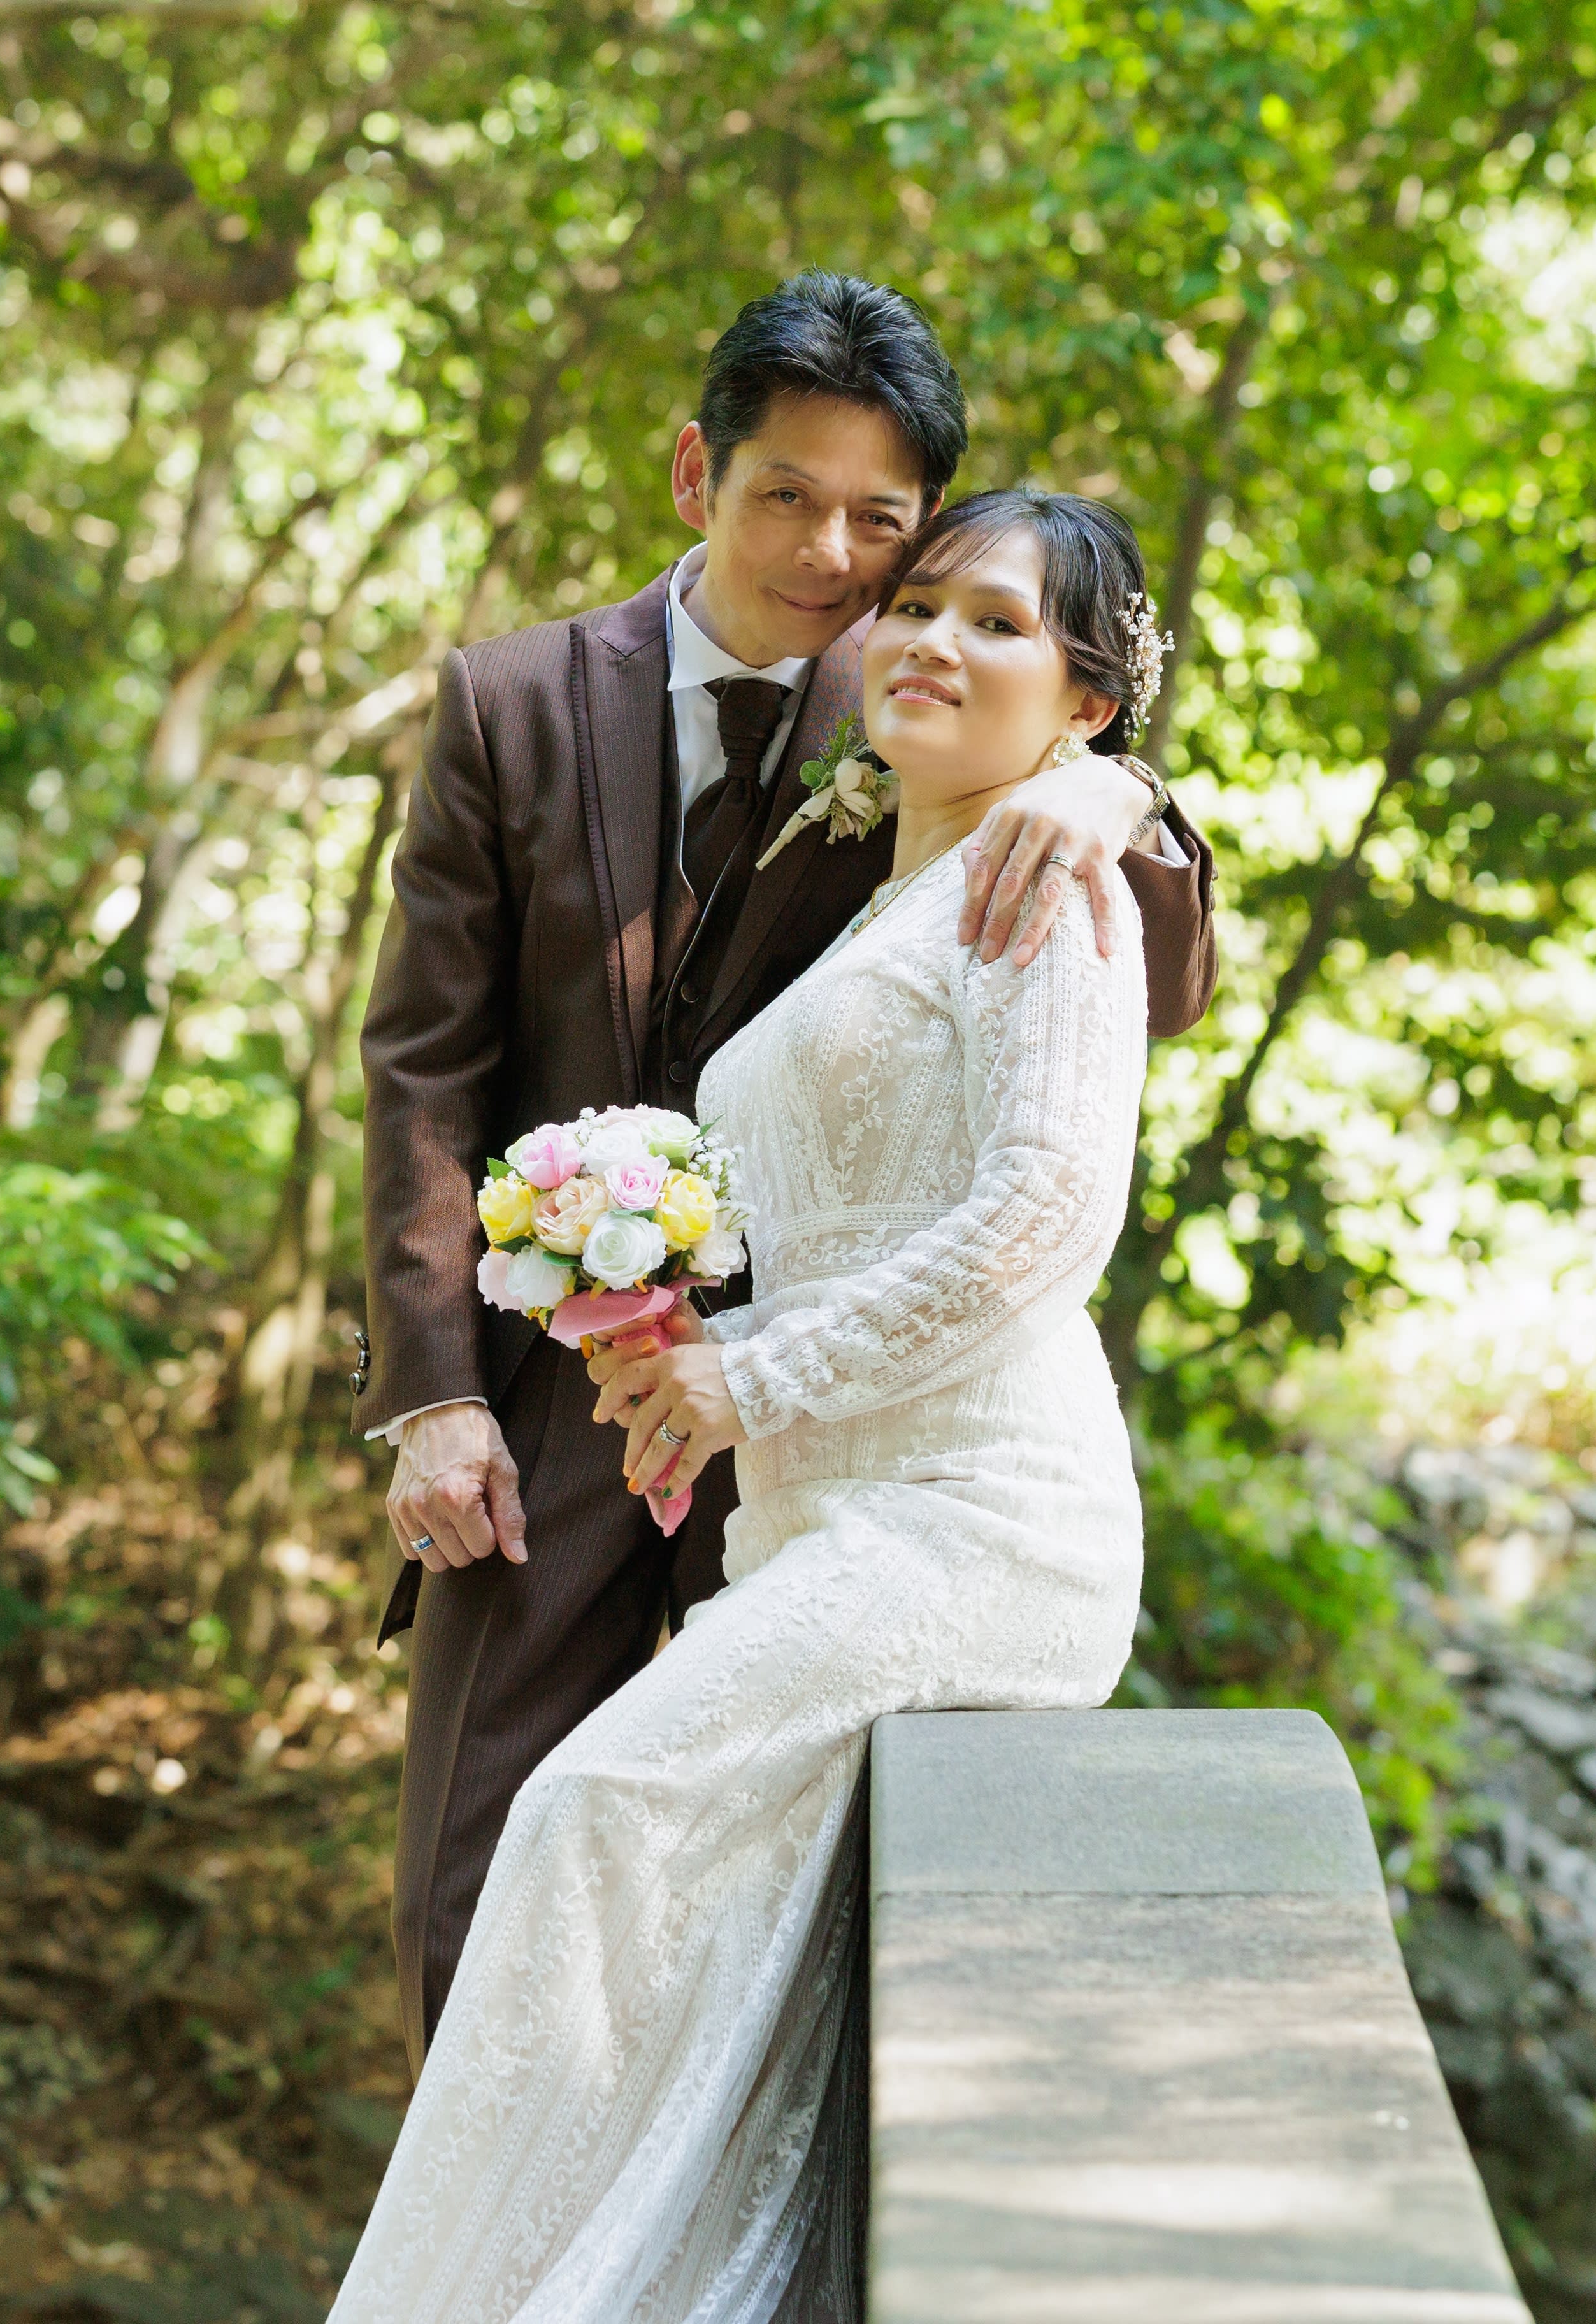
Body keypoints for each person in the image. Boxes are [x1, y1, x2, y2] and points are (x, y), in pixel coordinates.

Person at [355, 273, 1218, 2063]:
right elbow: (425, 1065)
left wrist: (1122, 794)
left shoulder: (930, 694)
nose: (833, 556)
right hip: (554, 1397)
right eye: (787, 496)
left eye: (880, 521)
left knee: (771, 1896)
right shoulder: (516, 705)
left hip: (833, 1404)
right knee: (475, 1871)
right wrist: (433, 1396)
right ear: (698, 474)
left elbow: (1152, 981)